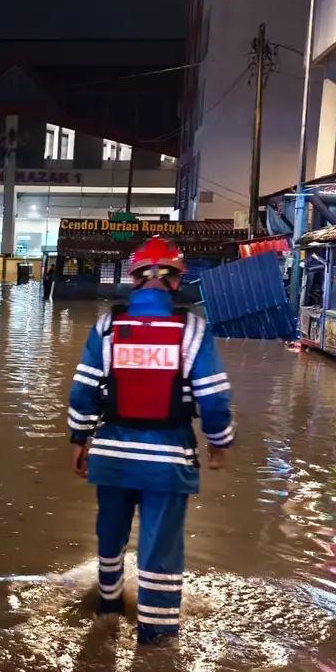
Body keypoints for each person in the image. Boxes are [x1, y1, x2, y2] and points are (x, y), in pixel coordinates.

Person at [67, 235, 235, 645]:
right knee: (160, 547)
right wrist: (220, 442)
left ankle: (107, 611)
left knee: (110, 533)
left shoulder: (109, 326)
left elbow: (84, 389)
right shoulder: (192, 330)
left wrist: (80, 437)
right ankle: (156, 639)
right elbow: (213, 396)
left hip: (111, 456)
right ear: (178, 281)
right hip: (168, 460)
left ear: (133, 278)